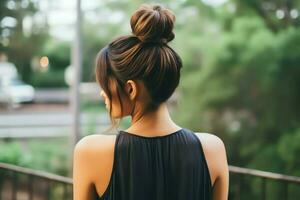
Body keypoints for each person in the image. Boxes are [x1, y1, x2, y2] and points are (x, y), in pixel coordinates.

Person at [73, 4, 228, 200]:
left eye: (105, 85)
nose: (103, 93)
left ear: (131, 88)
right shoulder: (212, 149)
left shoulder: (90, 152)